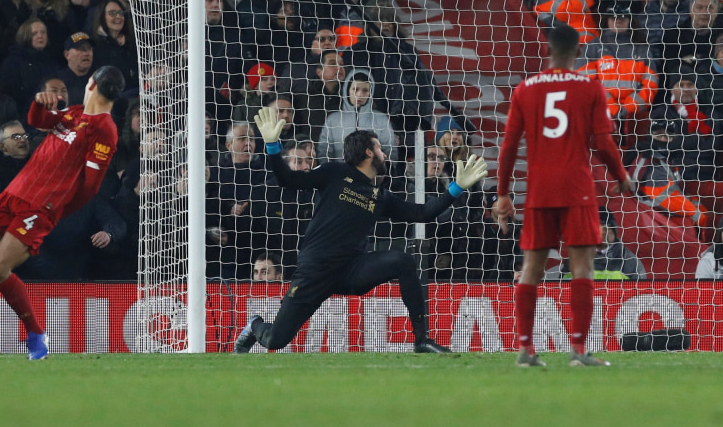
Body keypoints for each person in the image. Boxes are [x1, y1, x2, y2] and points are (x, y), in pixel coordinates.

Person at [234, 110, 484, 354]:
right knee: (275, 340)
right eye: (380, 149)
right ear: (368, 152)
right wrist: (272, 146)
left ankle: (421, 340)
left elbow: (422, 214)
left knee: (404, 261)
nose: (385, 154)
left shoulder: (379, 195)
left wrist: (456, 187)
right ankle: (255, 324)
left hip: (351, 270)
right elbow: (289, 179)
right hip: (316, 271)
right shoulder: (334, 172)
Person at [0, 65, 124, 360]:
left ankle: (36, 333)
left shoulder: (104, 129)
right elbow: (36, 121)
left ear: (91, 83)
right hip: (13, 194)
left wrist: (55, 208)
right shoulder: (74, 113)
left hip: (41, 206)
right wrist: (38, 103)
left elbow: (90, 188)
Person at [492, 21, 631, 368]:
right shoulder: (590, 88)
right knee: (581, 266)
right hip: (576, 190)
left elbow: (509, 146)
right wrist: (621, 176)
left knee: (531, 269)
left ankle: (526, 351)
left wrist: (503, 193)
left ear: (548, 50)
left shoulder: (526, 89)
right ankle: (579, 352)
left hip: (539, 191)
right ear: (578, 51)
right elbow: (602, 143)